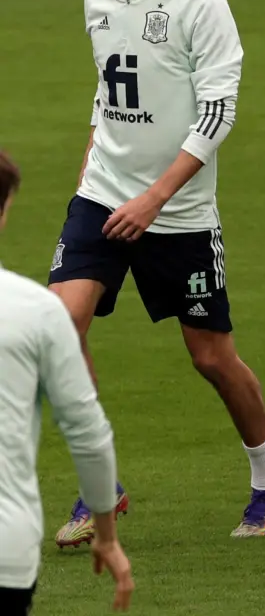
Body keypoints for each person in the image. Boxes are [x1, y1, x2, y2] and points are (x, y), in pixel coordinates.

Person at [50, 0, 265, 547]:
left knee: (211, 357)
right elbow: (108, 90)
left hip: (178, 213)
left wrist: (154, 199)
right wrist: (90, 173)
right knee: (61, 327)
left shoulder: (200, 1)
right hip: (103, 197)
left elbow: (218, 113)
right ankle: (100, 486)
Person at [0, 152, 135, 613]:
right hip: (7, 552)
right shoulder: (38, 312)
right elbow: (87, 433)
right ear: (5, 211)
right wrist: (107, 536)